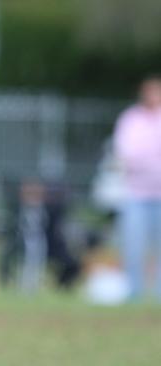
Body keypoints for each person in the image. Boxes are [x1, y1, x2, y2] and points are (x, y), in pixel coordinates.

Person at [113, 75, 161, 301]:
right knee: (134, 248)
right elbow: (127, 153)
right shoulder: (131, 119)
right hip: (136, 194)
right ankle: (135, 294)